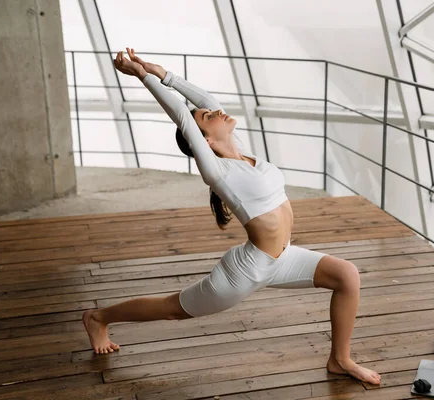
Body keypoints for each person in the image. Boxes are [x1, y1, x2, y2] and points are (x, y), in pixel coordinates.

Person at [81, 48, 381, 385]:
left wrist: (163, 72)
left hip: (282, 258)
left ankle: (340, 360)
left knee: (347, 275)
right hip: (246, 272)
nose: (216, 112)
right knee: (172, 309)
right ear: (204, 139)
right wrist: (141, 75)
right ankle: (98, 317)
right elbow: (182, 112)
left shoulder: (243, 153)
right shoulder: (217, 171)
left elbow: (204, 101)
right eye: (208, 117)